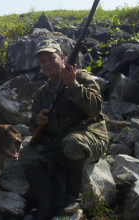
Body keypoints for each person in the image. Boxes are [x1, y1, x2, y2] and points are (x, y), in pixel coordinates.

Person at [19, 39, 109, 219]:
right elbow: (32, 127)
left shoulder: (82, 78)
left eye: (51, 58)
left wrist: (73, 86)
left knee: (72, 141)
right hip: (58, 144)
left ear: (62, 58)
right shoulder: (42, 93)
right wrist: (38, 120)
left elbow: (95, 109)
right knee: (26, 154)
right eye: (42, 61)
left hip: (89, 139)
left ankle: (73, 197)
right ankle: (47, 205)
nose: (47, 64)